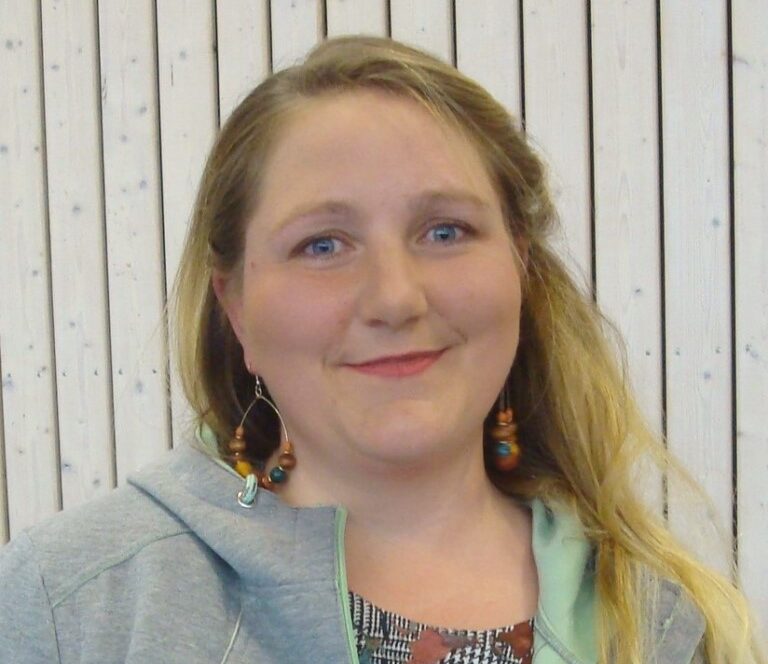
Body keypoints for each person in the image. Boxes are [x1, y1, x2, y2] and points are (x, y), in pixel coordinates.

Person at [0, 35, 762, 664]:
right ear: (235, 308)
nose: (396, 299)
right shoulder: (71, 605)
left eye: (445, 231)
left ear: (520, 267)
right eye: (322, 244)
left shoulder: (664, 626)